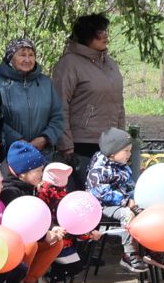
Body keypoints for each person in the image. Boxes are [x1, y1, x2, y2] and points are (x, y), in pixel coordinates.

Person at [53, 13, 127, 185]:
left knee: (108, 194)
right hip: (82, 144)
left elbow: (118, 103)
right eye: (98, 31)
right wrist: (66, 145)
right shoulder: (69, 64)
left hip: (110, 142)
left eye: (105, 30)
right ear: (86, 35)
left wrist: (121, 138)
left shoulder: (110, 63)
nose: (105, 35)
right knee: (86, 196)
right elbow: (60, 105)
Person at [0, 139, 69, 283]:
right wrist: (44, 234)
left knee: (56, 242)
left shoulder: (31, 187)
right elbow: (22, 226)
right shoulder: (10, 192)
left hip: (33, 236)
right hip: (15, 242)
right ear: (23, 172)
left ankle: (30, 282)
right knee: (30, 244)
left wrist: (51, 228)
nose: (42, 174)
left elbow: (37, 215)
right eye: (38, 170)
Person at [0, 37, 64, 162]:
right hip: (10, 155)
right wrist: (18, 140)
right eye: (22, 55)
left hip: (43, 154)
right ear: (11, 58)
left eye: (31, 55)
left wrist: (44, 138)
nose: (27, 59)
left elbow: (57, 116)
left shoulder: (46, 83)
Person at [87, 126, 149, 271]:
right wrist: (126, 202)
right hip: (102, 206)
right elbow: (101, 193)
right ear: (112, 152)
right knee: (127, 214)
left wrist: (136, 198)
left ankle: (152, 251)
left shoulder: (123, 167)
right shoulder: (98, 170)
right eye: (126, 151)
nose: (129, 154)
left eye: (130, 150)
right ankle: (129, 254)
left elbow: (129, 186)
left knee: (147, 213)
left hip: (124, 203)